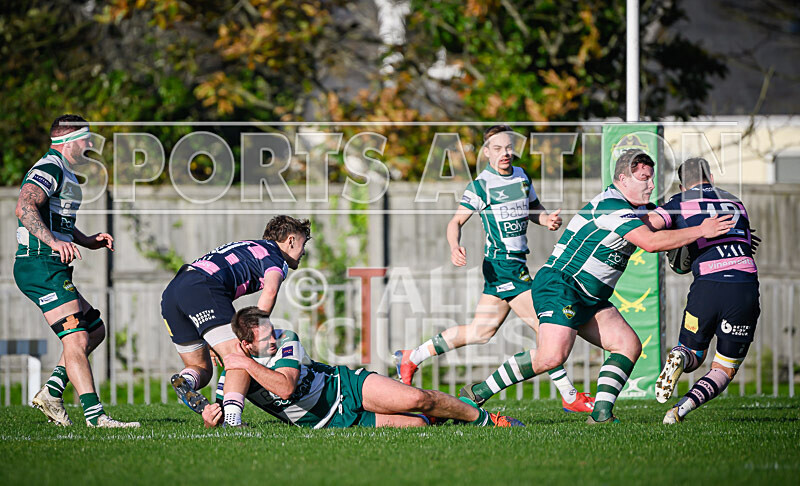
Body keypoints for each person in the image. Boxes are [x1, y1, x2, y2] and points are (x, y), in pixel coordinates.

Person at [462, 149, 736, 423]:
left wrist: (733, 233)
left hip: (591, 296)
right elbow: (651, 242)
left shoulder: (635, 209)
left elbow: (669, 217)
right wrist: (702, 230)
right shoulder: (611, 205)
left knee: (628, 345)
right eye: (643, 178)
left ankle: (601, 415)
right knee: (551, 356)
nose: (650, 185)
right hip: (562, 285)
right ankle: (476, 393)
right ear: (622, 178)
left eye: (651, 178)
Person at [394, 125, 594, 413]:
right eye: (498, 148)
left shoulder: (522, 176)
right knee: (547, 327)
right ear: (486, 153)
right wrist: (455, 246)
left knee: (480, 331)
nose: (505, 153)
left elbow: (533, 207)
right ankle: (569, 395)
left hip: (515, 265)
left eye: (509, 147)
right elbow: (455, 222)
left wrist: (546, 219)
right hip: (502, 267)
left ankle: (412, 355)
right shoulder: (480, 186)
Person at [200, 307, 524, 428]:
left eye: (272, 333)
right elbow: (225, 403)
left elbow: (284, 386)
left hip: (345, 387)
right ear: (245, 344)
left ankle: (485, 419)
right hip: (329, 422)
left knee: (416, 399)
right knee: (420, 425)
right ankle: (443, 415)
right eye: (264, 340)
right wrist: (212, 416)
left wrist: (240, 361)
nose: (273, 341)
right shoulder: (237, 371)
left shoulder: (287, 340)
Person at [15, 114, 138, 428]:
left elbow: (58, 220)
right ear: (69, 140)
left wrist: (87, 240)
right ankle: (96, 417)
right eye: (86, 139)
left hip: (51, 264)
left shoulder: (64, 171)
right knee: (77, 338)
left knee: (94, 329)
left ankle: (52, 392)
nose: (90, 145)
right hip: (39, 264)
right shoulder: (49, 167)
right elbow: (25, 207)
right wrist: (53, 242)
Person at [162, 216, 309, 427]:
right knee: (238, 356)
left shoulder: (251, 246)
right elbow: (271, 290)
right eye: (303, 244)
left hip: (174, 292)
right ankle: (232, 421)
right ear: (291, 240)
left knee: (200, 367)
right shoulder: (276, 257)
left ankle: (186, 381)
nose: (303, 251)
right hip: (202, 287)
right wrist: (256, 328)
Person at [645, 158, 760, 424]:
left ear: (683, 183)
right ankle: (679, 411)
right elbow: (741, 238)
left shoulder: (679, 202)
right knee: (724, 368)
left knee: (693, 355)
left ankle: (679, 357)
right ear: (710, 176)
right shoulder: (736, 203)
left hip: (707, 286)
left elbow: (650, 224)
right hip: (744, 286)